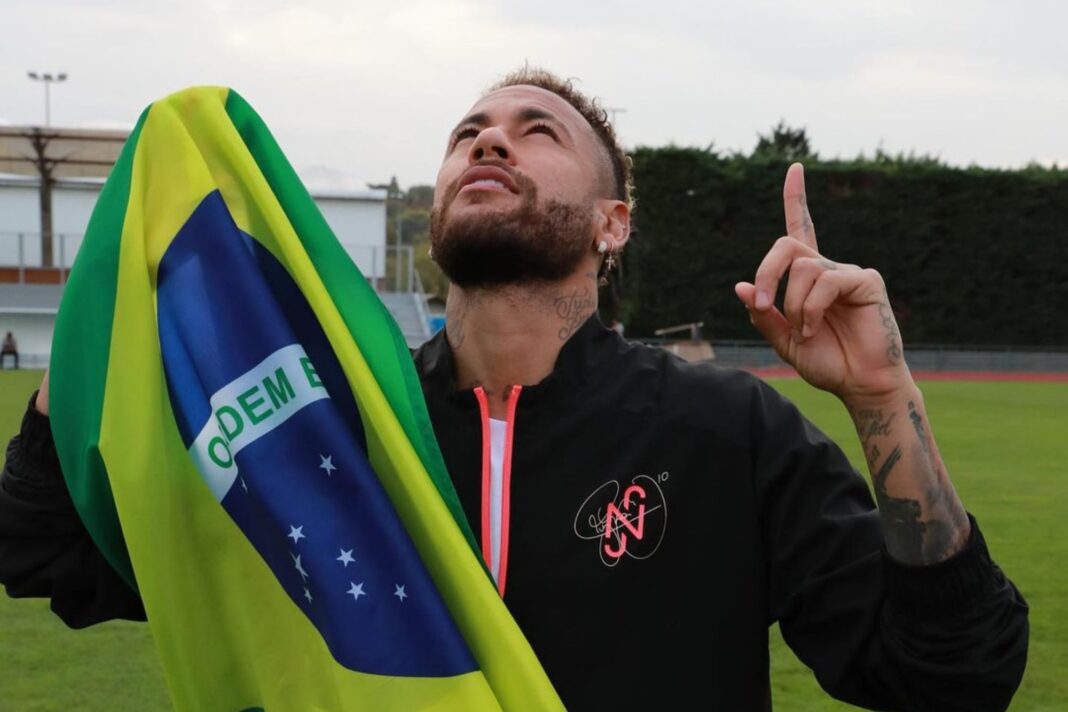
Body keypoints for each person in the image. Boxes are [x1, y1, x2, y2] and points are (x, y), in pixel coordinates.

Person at [1, 68, 1028, 711]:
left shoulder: (722, 429)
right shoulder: (339, 439)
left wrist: (885, 397)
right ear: (439, 205)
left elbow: (950, 675)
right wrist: (108, 312)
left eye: (537, 130)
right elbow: (46, 552)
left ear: (612, 224)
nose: (489, 139)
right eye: (468, 132)